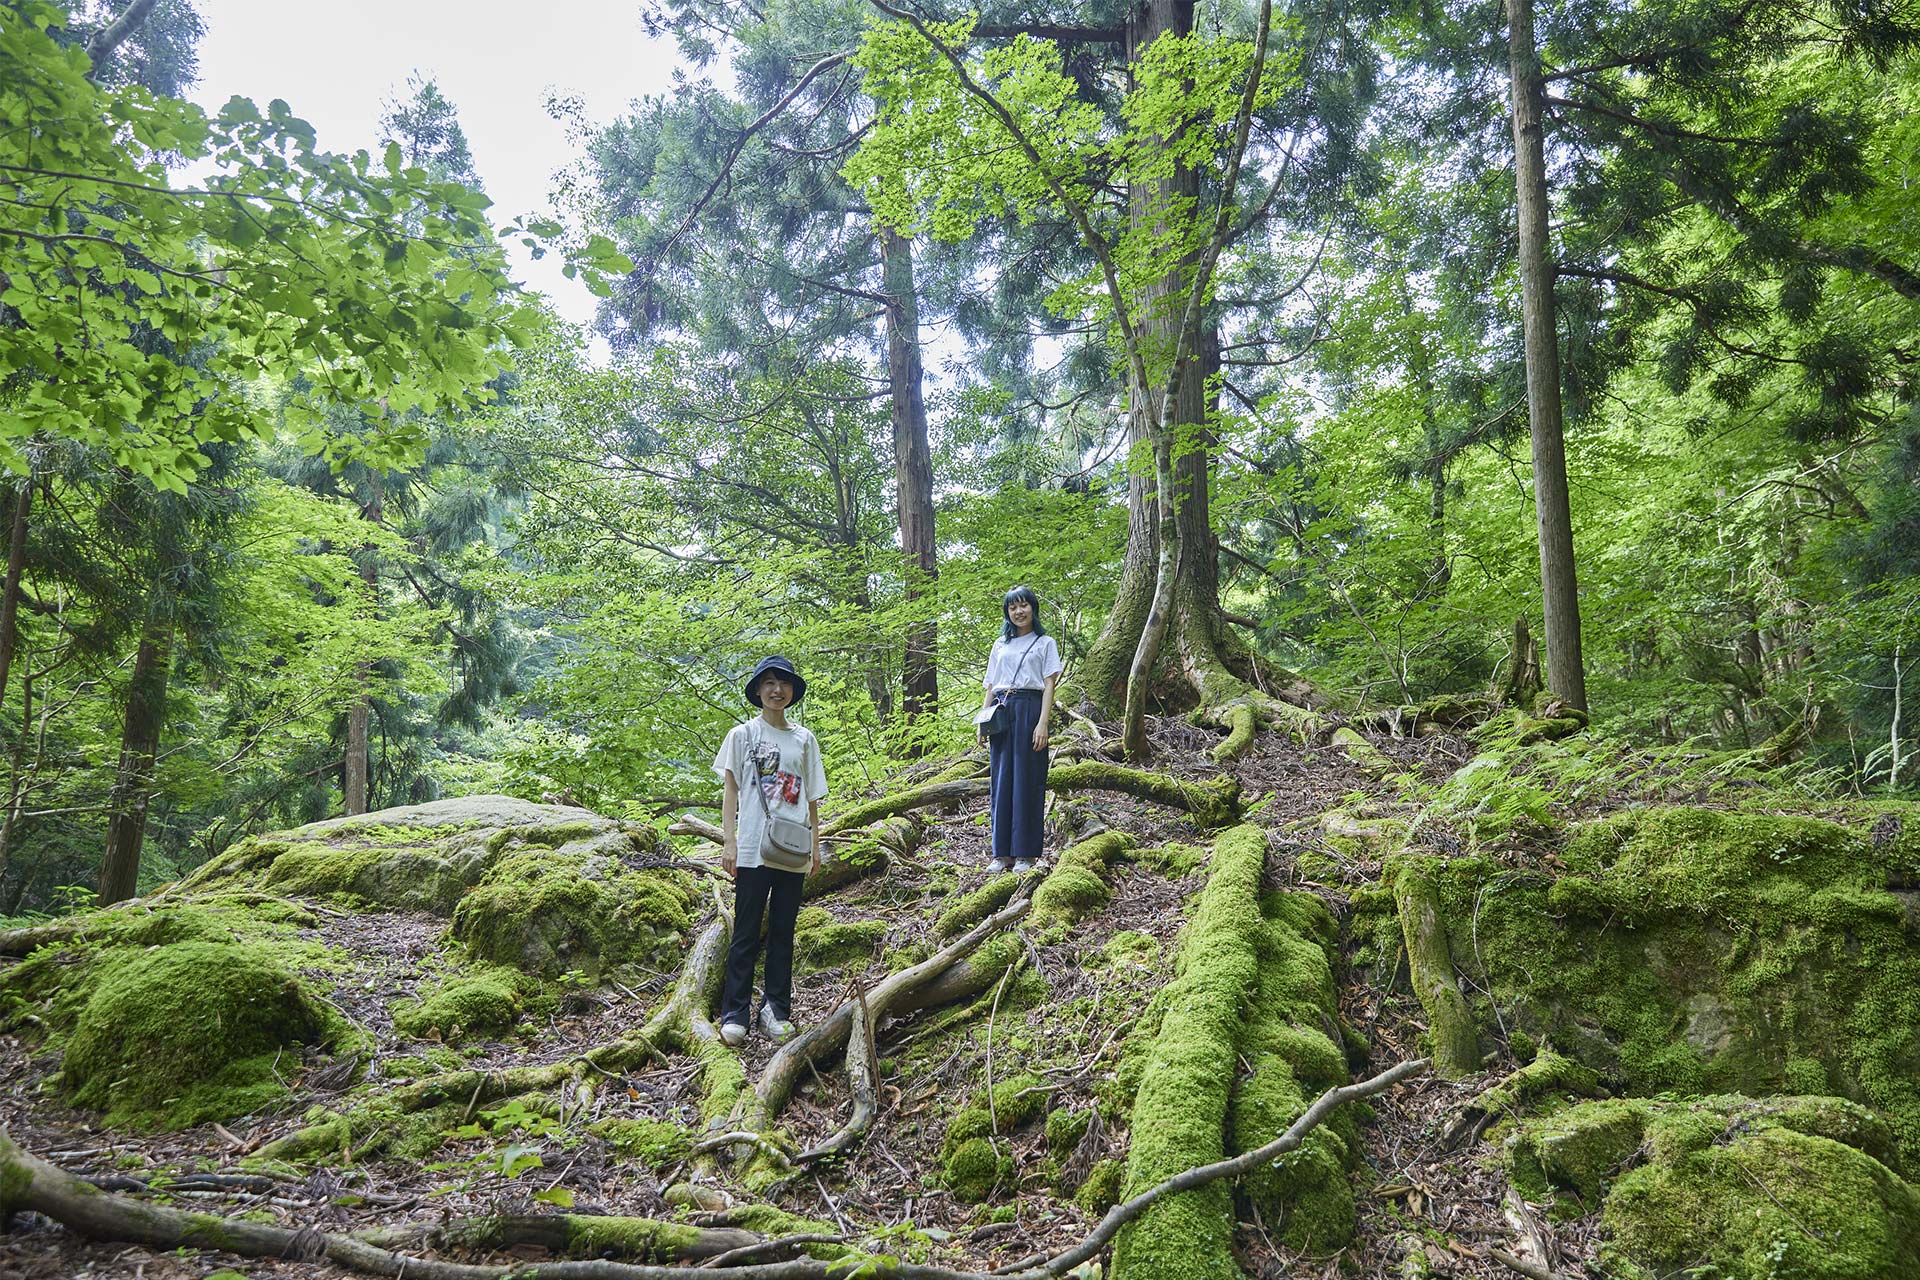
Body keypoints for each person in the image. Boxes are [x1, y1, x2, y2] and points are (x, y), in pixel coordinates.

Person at [713, 655, 828, 1047]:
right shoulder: (742, 735)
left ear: (792, 691)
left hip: (793, 848)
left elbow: (812, 797)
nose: (777, 690)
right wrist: (728, 840)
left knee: (783, 931)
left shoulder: (804, 739)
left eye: (784, 683)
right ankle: (735, 1012)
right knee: (745, 931)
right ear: (758, 690)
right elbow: (731, 790)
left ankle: (776, 1009)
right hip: (751, 847)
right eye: (769, 683)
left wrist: (815, 846)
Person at [976, 586, 1062, 873]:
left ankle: (1025, 853)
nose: (1019, 611)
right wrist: (982, 722)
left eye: (1024, 605)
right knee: (1000, 781)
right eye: (1013, 607)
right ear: (1007, 612)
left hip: (1029, 707)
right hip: (1001, 711)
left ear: (1033, 609)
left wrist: (1043, 722)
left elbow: (1049, 684)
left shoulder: (1045, 643)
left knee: (1028, 779)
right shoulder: (999, 644)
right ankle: (1001, 854)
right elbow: (991, 684)